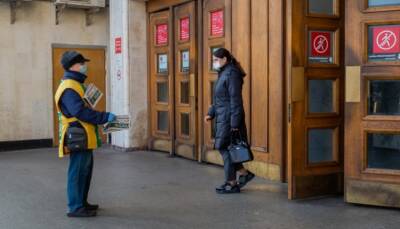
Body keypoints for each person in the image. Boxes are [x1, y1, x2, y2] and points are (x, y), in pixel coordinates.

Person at [54, 51, 116, 217]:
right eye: (82, 64)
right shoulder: (68, 87)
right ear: (73, 66)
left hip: (84, 135)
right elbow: (79, 112)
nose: (84, 66)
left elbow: (83, 109)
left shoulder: (76, 84)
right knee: (78, 171)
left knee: (85, 171)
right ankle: (75, 207)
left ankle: (82, 202)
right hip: (78, 136)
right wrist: (104, 117)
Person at [204, 48, 255, 194]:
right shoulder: (223, 72)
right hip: (223, 116)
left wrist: (234, 123)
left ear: (225, 59)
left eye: (216, 59)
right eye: (213, 60)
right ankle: (244, 174)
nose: (214, 62)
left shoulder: (232, 74)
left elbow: (235, 100)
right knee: (226, 148)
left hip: (229, 118)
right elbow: (219, 98)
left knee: (224, 147)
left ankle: (232, 183)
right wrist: (211, 113)